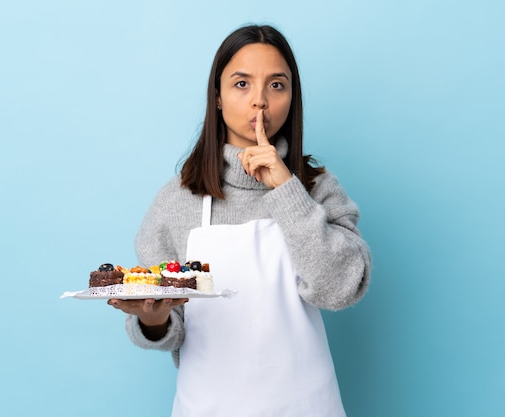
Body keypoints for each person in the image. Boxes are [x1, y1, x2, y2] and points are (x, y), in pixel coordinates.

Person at [108, 24, 371, 417]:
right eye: (242, 84)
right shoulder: (177, 200)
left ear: (292, 98)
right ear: (217, 96)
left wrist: (286, 187)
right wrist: (155, 318)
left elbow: (341, 289)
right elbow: (167, 325)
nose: (260, 102)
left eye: (277, 85)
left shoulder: (316, 188)